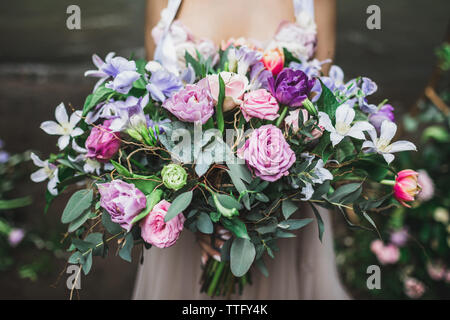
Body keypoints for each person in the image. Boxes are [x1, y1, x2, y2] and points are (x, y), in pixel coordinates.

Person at [133, 0, 349, 299]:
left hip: (280, 218)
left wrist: (249, 213)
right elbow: (153, 107)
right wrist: (200, 210)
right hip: (182, 217)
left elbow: (323, 106)